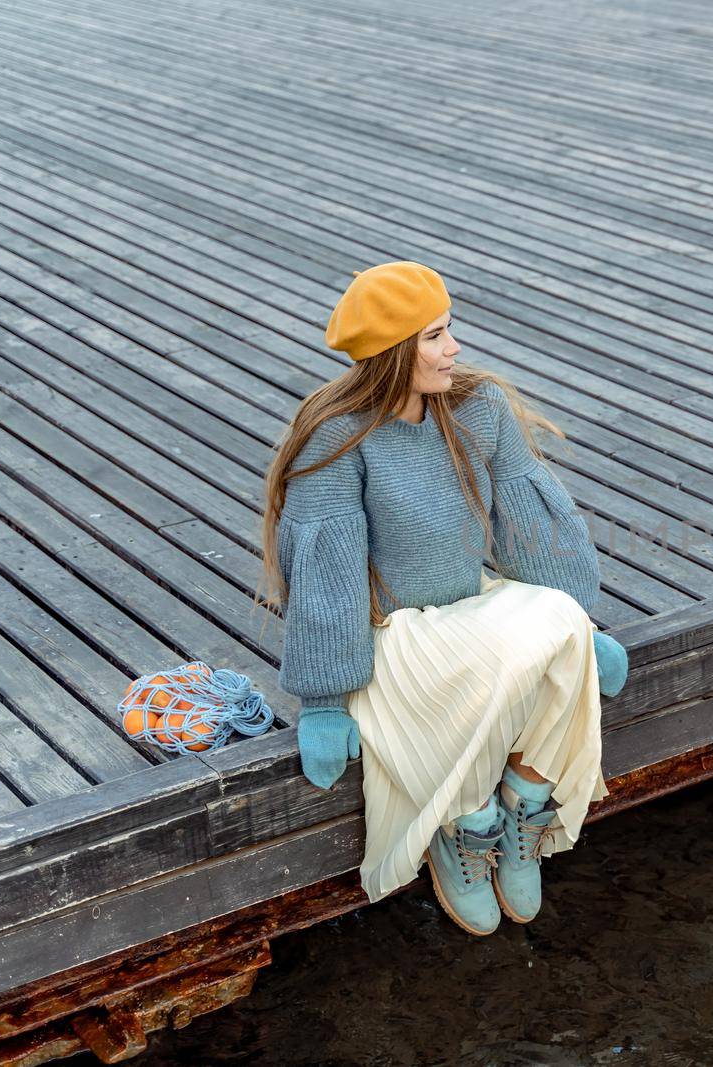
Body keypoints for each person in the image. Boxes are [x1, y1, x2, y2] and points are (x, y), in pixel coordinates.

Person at [255, 261, 629, 936]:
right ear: (393, 352)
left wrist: (582, 622)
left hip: (472, 602)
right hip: (397, 633)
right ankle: (463, 823)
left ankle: (521, 801)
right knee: (515, 658)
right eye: (434, 336)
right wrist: (323, 699)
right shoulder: (338, 436)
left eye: (448, 330)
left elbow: (529, 520)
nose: (453, 348)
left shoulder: (476, 408)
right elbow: (328, 570)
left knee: (556, 627)